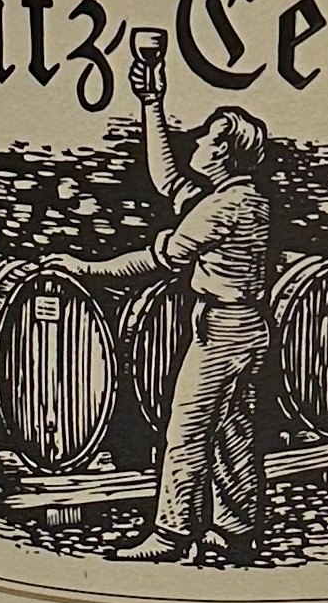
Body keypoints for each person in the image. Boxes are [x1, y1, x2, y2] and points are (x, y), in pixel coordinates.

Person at [85, 42, 272, 562]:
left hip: (225, 329)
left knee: (187, 430)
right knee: (233, 429)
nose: (198, 140)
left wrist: (86, 270)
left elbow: (159, 260)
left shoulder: (222, 209)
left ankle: (170, 534)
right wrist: (152, 102)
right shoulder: (240, 199)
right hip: (246, 327)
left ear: (225, 153)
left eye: (208, 137)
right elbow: (168, 180)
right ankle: (234, 529)